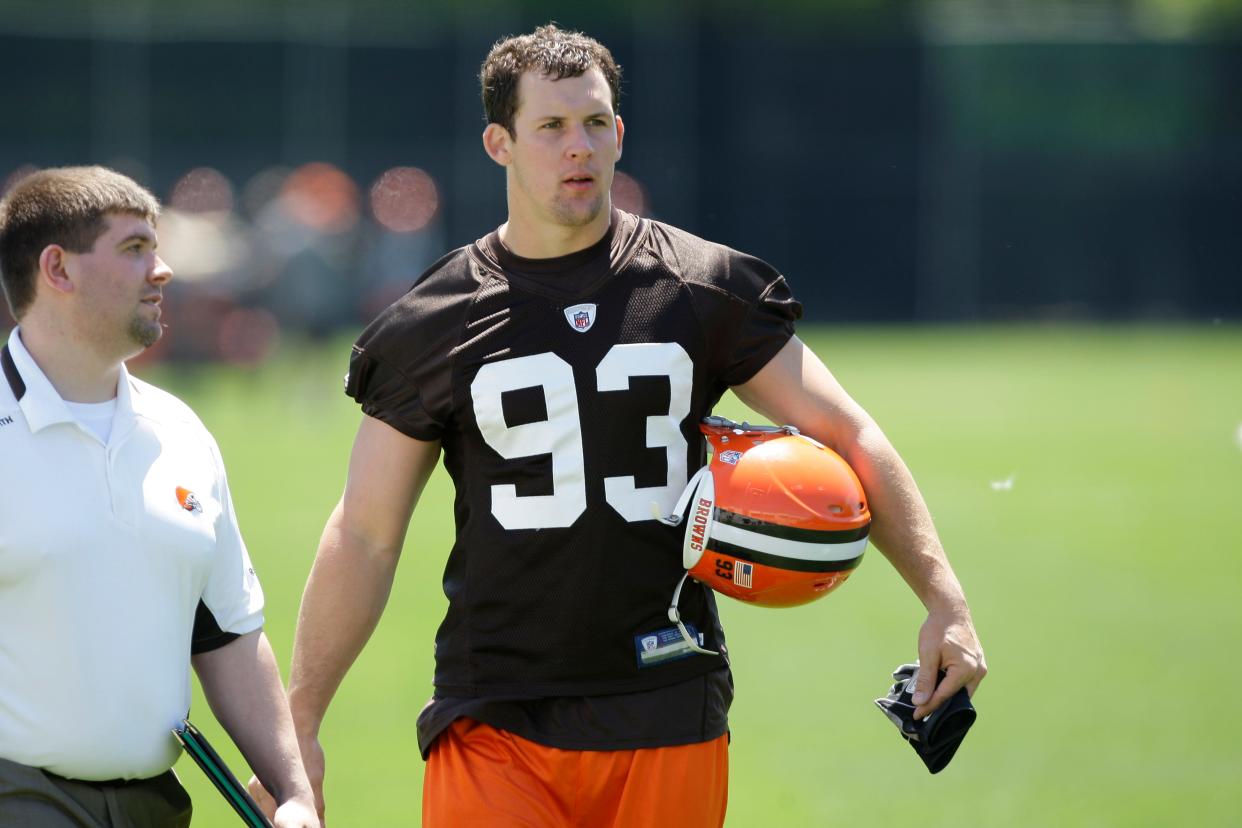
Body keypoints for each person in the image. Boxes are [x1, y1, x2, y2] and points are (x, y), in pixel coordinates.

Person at [277, 24, 987, 826]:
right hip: (496, 713)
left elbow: (850, 435)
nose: (577, 147)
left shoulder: (702, 286)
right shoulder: (434, 319)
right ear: (499, 143)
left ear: (619, 133)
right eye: (550, 127)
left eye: (594, 124)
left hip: (667, 698)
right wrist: (298, 719)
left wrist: (945, 600)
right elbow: (366, 533)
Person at [0, 166, 318, 828]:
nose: (164, 270)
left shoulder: (182, 431)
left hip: (158, 806)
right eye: (134, 249)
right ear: (57, 269)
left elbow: (226, 633)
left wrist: (293, 793)